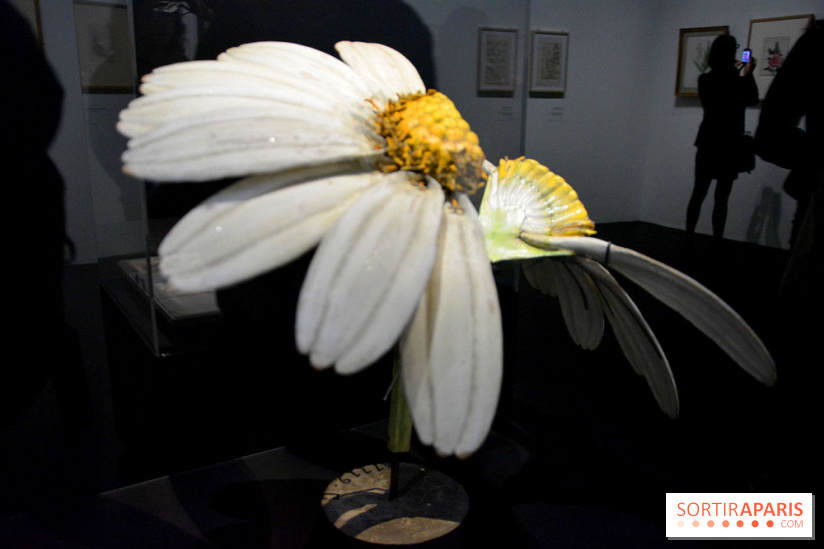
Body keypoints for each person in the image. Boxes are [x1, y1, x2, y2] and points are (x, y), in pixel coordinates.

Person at [686, 34, 758, 242]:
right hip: (730, 145)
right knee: (722, 198)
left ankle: (688, 238)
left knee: (698, 193)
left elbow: (718, 91)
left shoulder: (705, 80)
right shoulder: (737, 81)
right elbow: (752, 98)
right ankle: (717, 240)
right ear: (731, 54)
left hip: (708, 142)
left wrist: (735, 72)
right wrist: (748, 72)